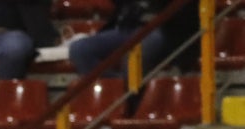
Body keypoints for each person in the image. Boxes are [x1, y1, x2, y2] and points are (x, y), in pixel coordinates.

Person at [69, 0, 200, 78]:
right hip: (130, 27)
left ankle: (132, 97)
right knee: (79, 49)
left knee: (134, 56)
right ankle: (116, 89)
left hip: (165, 30)